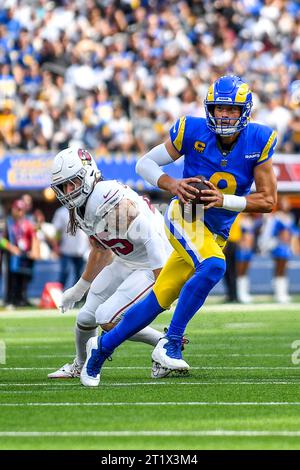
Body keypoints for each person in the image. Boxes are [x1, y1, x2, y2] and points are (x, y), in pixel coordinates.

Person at [77, 75, 278, 387]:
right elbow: (144, 164)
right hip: (185, 213)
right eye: (218, 108)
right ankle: (171, 342)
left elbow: (268, 200)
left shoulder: (259, 140)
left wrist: (225, 199)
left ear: (245, 112)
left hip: (216, 232)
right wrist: (172, 183)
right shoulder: (192, 130)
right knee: (214, 266)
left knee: (159, 298)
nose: (224, 115)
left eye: (231, 110)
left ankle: (100, 350)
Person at [49, 147, 178, 380]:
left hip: (152, 262)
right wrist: (78, 290)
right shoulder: (81, 208)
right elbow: (101, 250)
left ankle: (165, 343)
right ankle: (80, 363)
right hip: (128, 260)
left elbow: (150, 235)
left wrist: (163, 280)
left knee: (106, 317)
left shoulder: (106, 196)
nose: (68, 192)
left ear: (88, 175)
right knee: (86, 317)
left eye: (73, 183)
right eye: (63, 187)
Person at [2, 199, 40, 307]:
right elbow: (1, 240)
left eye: (22, 210)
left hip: (25, 255)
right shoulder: (7, 222)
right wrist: (11, 247)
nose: (20, 212)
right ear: (13, 209)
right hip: (11, 255)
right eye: (17, 209)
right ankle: (10, 299)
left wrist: (34, 250)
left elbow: (33, 237)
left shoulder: (28, 223)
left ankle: (22, 298)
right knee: (12, 278)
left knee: (24, 278)